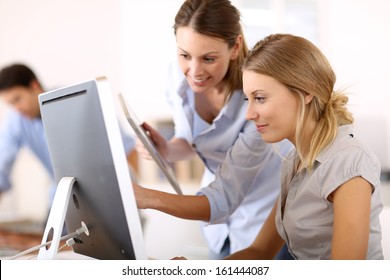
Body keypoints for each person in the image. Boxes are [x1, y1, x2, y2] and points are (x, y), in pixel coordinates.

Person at [133, 0, 292, 259]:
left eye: (208, 58)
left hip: (263, 224)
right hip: (219, 229)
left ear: (235, 47)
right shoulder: (178, 77)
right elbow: (191, 142)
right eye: (184, 55)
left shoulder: (257, 102)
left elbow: (225, 199)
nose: (194, 72)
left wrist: (147, 197)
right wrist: (166, 148)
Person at [222, 33, 383, 259]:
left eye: (259, 98)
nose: (249, 115)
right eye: (248, 100)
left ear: (307, 91)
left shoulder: (348, 163)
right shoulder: (294, 163)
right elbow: (259, 252)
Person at [0, 63, 139, 216]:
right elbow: (2, 163)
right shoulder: (16, 120)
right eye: (10, 104)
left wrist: (132, 198)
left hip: (108, 197)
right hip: (62, 199)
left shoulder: (77, 101)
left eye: (18, 99)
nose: (17, 108)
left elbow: (126, 149)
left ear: (34, 86)